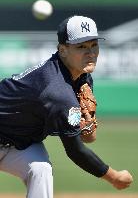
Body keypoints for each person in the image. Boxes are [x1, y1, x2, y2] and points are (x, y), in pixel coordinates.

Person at [0, 15, 133, 198]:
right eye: (81, 47)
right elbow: (76, 150)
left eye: (94, 45)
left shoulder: (82, 77)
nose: (91, 53)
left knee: (41, 170)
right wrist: (114, 177)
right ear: (62, 50)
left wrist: (88, 121)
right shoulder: (56, 91)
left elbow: (88, 137)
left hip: (19, 144)